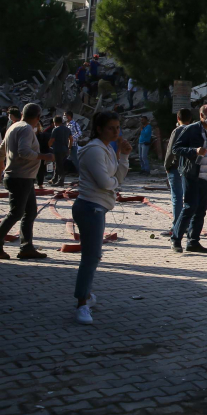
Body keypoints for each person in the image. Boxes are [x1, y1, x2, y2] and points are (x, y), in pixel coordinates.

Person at [72, 110, 131, 325]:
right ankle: (81, 305)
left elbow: (117, 176)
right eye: (111, 128)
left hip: (98, 207)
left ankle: (86, 296)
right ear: (99, 129)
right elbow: (106, 183)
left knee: (92, 256)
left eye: (118, 127)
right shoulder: (95, 150)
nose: (116, 132)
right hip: (90, 207)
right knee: (91, 256)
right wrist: (114, 184)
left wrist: (123, 156)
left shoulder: (106, 148)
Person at [170, 104, 207, 254]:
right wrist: (194, 151)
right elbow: (176, 148)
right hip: (191, 174)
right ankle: (176, 240)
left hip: (205, 175)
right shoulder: (190, 129)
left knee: (201, 210)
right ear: (201, 116)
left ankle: (193, 241)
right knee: (190, 207)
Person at [0, 103, 54, 260]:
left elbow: (1, 150)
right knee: (16, 213)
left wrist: (2, 168)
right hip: (20, 178)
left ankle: (26, 247)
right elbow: (24, 152)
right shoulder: (26, 129)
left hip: (22, 177)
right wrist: (45, 156)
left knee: (30, 212)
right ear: (38, 117)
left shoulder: (13, 127)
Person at [163, 109, 193, 237]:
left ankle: (177, 226)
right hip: (190, 168)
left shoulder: (177, 131)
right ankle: (188, 225)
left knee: (177, 197)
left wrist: (167, 166)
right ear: (190, 119)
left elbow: (170, 151)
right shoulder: (195, 130)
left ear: (177, 118)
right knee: (189, 198)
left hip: (176, 168)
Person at [48, 116, 72, 186]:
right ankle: (54, 179)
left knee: (59, 166)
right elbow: (71, 139)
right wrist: (69, 147)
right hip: (65, 150)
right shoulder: (67, 129)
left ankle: (61, 181)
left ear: (54, 122)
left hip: (58, 150)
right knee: (58, 164)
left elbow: (52, 140)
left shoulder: (56, 129)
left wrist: (48, 146)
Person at [36, 120, 53, 188]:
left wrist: (46, 156)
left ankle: (40, 183)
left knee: (41, 169)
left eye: (36, 126)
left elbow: (46, 146)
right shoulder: (28, 135)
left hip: (41, 154)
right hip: (31, 154)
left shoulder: (43, 135)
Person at [65, 110, 82, 175]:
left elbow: (79, 133)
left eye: (65, 116)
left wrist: (72, 139)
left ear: (69, 116)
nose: (64, 117)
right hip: (67, 145)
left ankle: (81, 174)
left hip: (73, 145)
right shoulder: (67, 124)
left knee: (75, 160)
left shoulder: (74, 124)